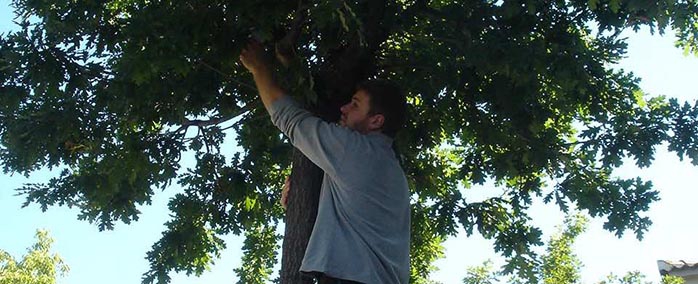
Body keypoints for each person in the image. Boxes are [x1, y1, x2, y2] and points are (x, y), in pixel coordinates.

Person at [239, 41, 410, 284]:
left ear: (376, 121)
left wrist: (259, 69)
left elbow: (290, 119)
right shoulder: (389, 168)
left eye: (355, 104)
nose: (344, 108)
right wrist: (302, 196)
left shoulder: (356, 150)